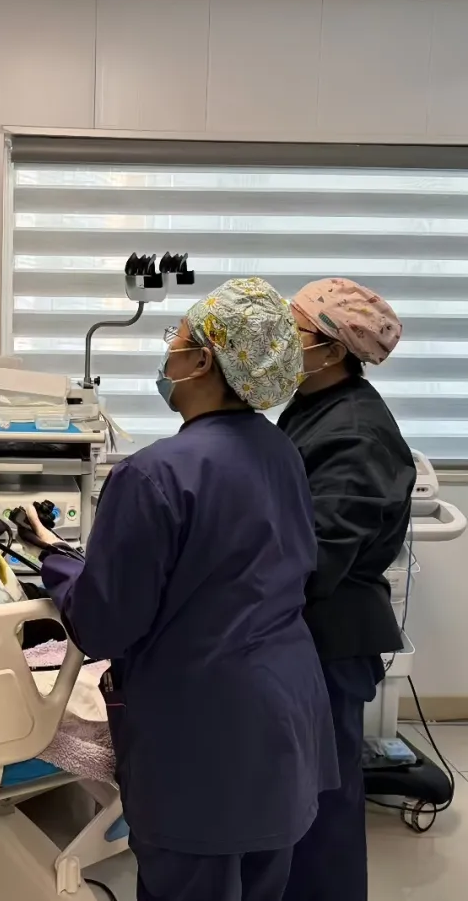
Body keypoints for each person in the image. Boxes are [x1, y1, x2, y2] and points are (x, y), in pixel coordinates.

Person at [34, 278, 338, 901]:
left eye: (174, 339)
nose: (166, 354)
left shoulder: (153, 476)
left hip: (204, 733)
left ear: (202, 361)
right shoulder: (281, 453)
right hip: (285, 716)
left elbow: (103, 626)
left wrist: (57, 564)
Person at [279, 279, 414, 901]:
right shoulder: (312, 402)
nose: (275, 342)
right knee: (294, 794)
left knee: (321, 804)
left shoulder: (357, 432)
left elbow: (317, 554)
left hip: (329, 638)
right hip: (305, 632)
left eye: (292, 331)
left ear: (333, 350)